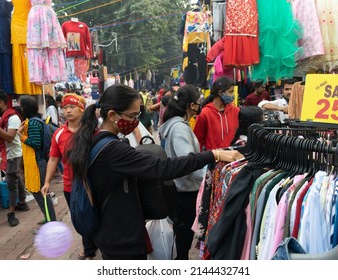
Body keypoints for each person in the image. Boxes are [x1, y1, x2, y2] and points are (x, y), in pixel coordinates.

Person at [67, 84, 242, 260]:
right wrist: (213, 154)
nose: (136, 121)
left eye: (138, 115)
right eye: (132, 115)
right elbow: (163, 167)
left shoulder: (96, 139)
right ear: (112, 115)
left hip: (111, 229)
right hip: (120, 235)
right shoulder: (112, 150)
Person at [40, 93, 98, 260]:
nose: (68, 111)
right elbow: (53, 158)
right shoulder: (59, 133)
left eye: (72, 107)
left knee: (94, 213)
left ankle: (90, 249)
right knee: (79, 217)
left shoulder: (92, 131)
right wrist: (47, 182)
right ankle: (89, 246)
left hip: (91, 181)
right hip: (70, 185)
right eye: (65, 108)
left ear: (81, 109)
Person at [159, 84, 203, 260]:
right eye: (198, 103)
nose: (200, 106)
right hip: (185, 190)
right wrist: (208, 178)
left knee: (182, 237)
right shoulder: (180, 128)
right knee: (183, 239)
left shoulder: (177, 125)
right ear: (191, 105)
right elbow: (188, 162)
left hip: (181, 188)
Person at [0, 89, 29, 227]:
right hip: (8, 153)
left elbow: (9, 137)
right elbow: (1, 137)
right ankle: (22, 203)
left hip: (13, 155)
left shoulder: (13, 117)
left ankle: (11, 213)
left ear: (1, 102)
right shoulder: (2, 116)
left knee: (11, 183)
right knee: (16, 178)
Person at [17, 96, 56, 224]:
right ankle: (49, 217)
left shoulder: (33, 123)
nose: (19, 108)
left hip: (38, 163)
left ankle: (51, 220)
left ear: (25, 108)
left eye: (20, 105)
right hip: (37, 162)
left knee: (41, 193)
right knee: (40, 192)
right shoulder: (33, 121)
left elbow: (35, 143)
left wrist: (20, 135)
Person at [194, 76, 240, 151]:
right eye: (231, 92)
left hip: (233, 158)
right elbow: (198, 140)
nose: (233, 95)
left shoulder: (236, 111)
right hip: (213, 159)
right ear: (221, 93)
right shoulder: (204, 113)